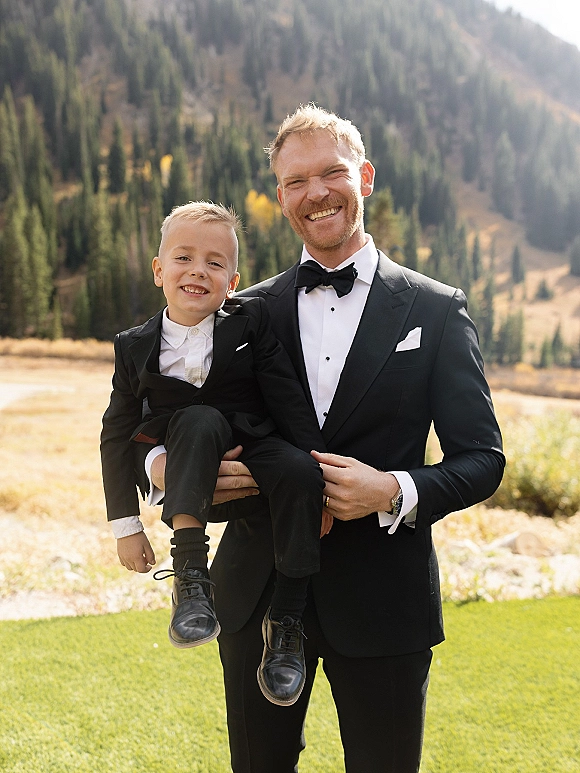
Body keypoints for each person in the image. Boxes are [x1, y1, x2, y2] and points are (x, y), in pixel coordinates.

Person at [148, 106, 505, 772]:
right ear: (281, 197)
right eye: (294, 181)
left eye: (331, 173)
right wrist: (172, 473)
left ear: (364, 177)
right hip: (254, 595)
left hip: (384, 600)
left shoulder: (435, 308)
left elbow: (483, 459)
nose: (314, 193)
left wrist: (390, 489)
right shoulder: (238, 311)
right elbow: (167, 423)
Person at [100, 201, 331, 706]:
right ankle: (190, 579)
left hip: (253, 439)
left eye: (215, 262)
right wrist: (126, 525)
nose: (197, 271)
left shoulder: (251, 323)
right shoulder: (133, 346)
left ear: (233, 280)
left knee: (296, 471)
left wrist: (322, 486)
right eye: (183, 258)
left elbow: (288, 398)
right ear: (159, 270)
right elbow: (115, 434)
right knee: (198, 419)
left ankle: (286, 625)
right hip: (185, 448)